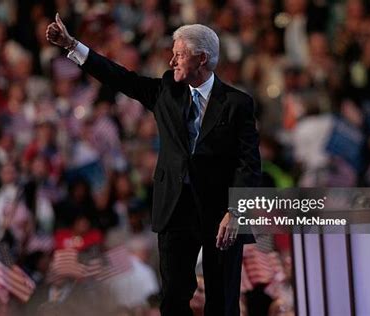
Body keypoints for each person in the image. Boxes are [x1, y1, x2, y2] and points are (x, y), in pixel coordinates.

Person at [46, 14, 261, 316]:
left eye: (179, 54)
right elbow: (120, 77)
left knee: (222, 302)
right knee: (173, 299)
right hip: (175, 209)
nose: (172, 61)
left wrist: (236, 212)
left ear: (202, 58)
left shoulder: (237, 103)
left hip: (221, 214)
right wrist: (72, 46)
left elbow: (249, 164)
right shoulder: (166, 91)